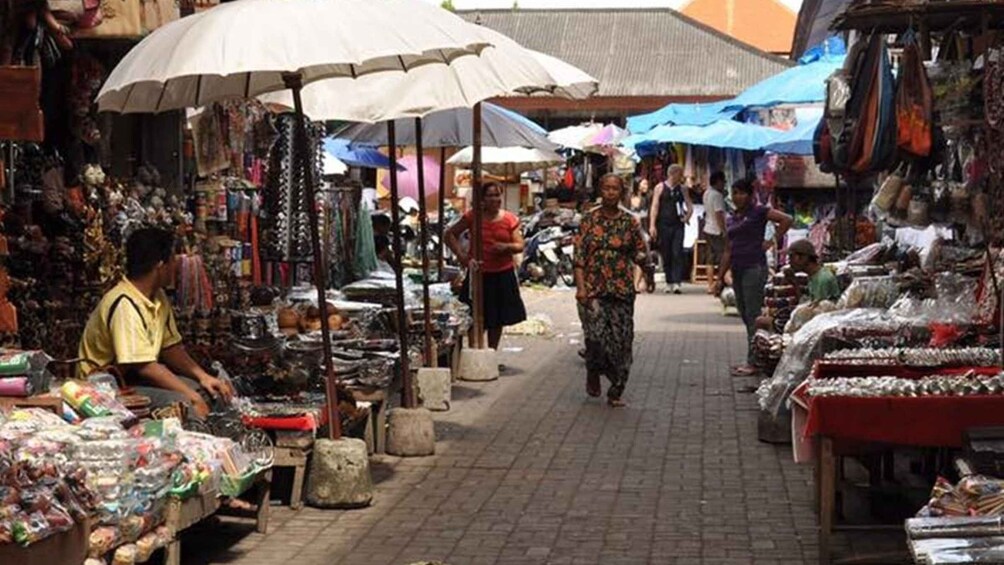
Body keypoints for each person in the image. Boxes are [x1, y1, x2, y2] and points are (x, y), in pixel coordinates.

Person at [79, 228, 235, 418]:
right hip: (105, 388)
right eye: (173, 260)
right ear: (160, 265)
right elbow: (144, 366)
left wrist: (204, 377)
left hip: (133, 378)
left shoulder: (157, 297)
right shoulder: (124, 304)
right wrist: (192, 397)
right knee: (184, 405)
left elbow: (170, 348)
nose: (176, 267)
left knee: (209, 392)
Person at [575, 174, 655, 407]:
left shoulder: (630, 222)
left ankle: (616, 390)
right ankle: (593, 368)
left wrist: (647, 272)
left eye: (615, 189)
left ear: (621, 193)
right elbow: (579, 258)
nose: (610, 193)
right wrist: (581, 289)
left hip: (621, 290)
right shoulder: (589, 220)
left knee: (622, 341)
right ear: (601, 190)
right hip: (593, 289)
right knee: (597, 337)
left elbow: (638, 252)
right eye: (606, 188)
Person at [713, 179, 793, 377]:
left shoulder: (758, 211)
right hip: (738, 269)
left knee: (753, 315)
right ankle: (756, 355)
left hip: (754, 268)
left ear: (750, 195)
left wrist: (770, 241)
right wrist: (719, 277)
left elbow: (786, 219)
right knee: (744, 312)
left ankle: (754, 361)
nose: (737, 196)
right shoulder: (731, 218)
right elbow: (727, 250)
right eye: (734, 192)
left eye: (741, 192)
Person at [445, 182, 527, 350]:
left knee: (497, 318)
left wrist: (506, 247)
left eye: (497, 195)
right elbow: (450, 234)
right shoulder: (472, 217)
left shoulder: (509, 219)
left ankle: (491, 353)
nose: (494, 199)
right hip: (478, 274)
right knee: (475, 316)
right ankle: (475, 351)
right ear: (482, 199)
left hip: (502, 273)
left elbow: (519, 245)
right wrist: (462, 257)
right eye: (490, 195)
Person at [649, 164, 693, 294]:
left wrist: (687, 217)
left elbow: (689, 205)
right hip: (663, 224)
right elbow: (655, 206)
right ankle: (669, 281)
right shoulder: (660, 187)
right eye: (680, 174)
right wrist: (652, 225)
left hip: (678, 224)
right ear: (672, 174)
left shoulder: (683, 189)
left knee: (677, 251)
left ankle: (677, 281)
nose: (681, 177)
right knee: (666, 252)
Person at [702, 171, 728, 295]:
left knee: (710, 258)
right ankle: (718, 284)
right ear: (718, 182)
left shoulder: (706, 193)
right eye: (723, 182)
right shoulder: (717, 195)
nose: (724, 184)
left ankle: (710, 285)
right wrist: (723, 230)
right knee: (722, 257)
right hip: (716, 230)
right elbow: (719, 214)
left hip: (707, 227)